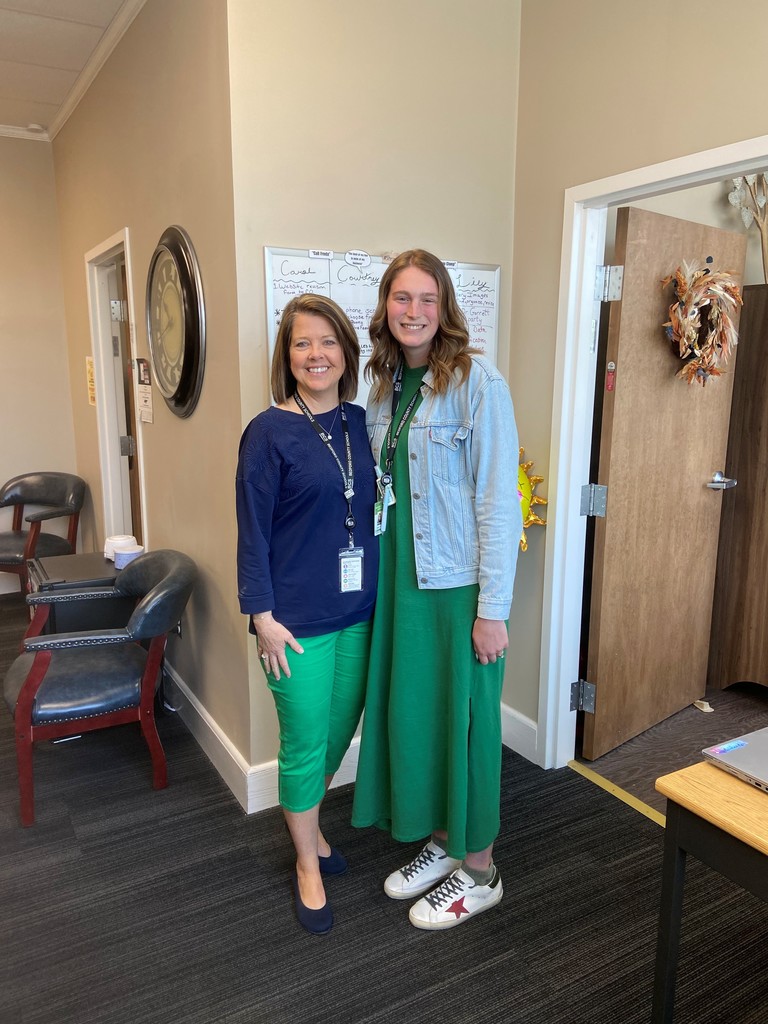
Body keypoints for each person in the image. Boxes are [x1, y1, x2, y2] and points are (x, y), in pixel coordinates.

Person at [351, 249, 522, 930]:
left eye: (427, 299)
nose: (413, 311)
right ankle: (448, 844)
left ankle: (481, 871)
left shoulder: (479, 383)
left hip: (457, 589)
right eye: (401, 298)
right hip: (403, 582)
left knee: (470, 725)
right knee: (421, 719)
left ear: (444, 308)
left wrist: (493, 611)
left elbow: (497, 504)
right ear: (386, 308)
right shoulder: (387, 388)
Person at [236, 293, 379, 935]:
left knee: (338, 734)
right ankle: (306, 864)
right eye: (302, 343)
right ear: (286, 355)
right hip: (293, 623)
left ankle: (313, 831)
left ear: (347, 351)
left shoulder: (363, 421)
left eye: (327, 342)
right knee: (303, 744)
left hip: (362, 612)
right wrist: (261, 616)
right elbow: (252, 535)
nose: (315, 354)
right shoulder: (267, 432)